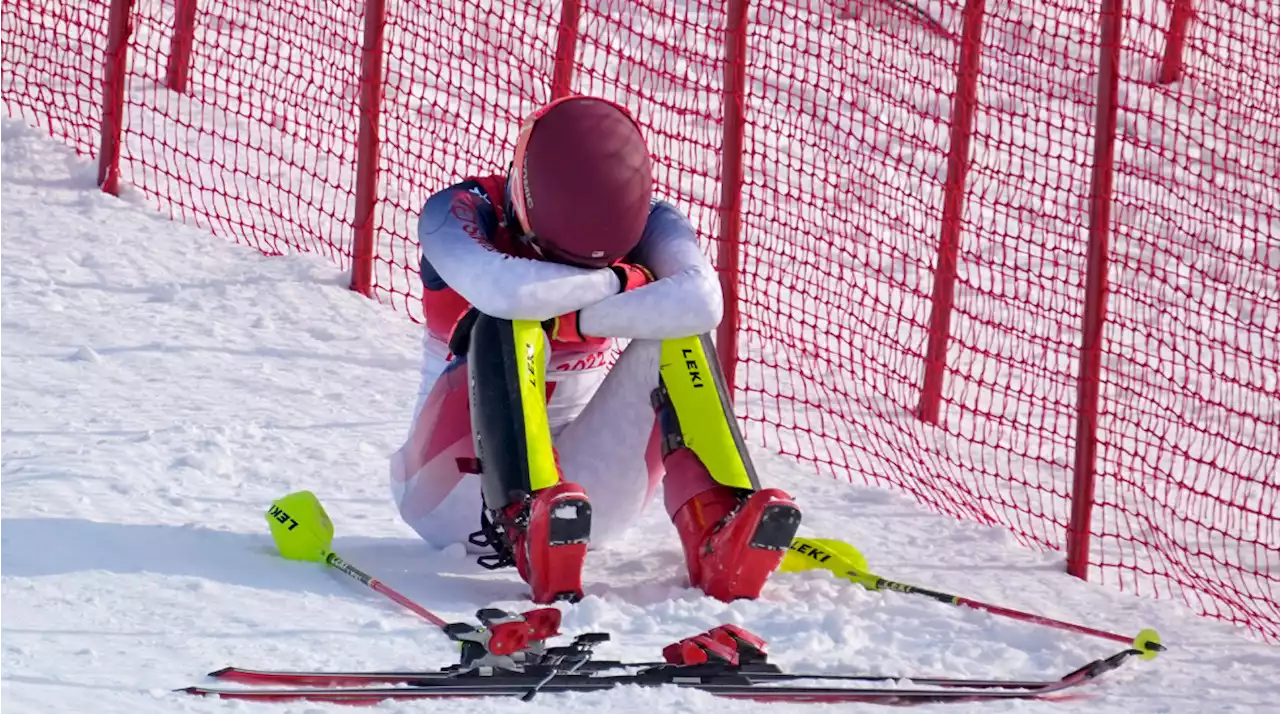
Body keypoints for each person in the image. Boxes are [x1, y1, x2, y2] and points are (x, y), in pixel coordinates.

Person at [389, 95, 802, 604]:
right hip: (454, 495)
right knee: (509, 321)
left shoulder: (656, 219)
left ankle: (716, 523)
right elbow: (510, 293)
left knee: (678, 331)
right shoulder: (457, 211)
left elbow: (701, 301)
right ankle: (525, 517)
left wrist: (572, 307)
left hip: (583, 510)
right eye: (556, 257)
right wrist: (621, 281)